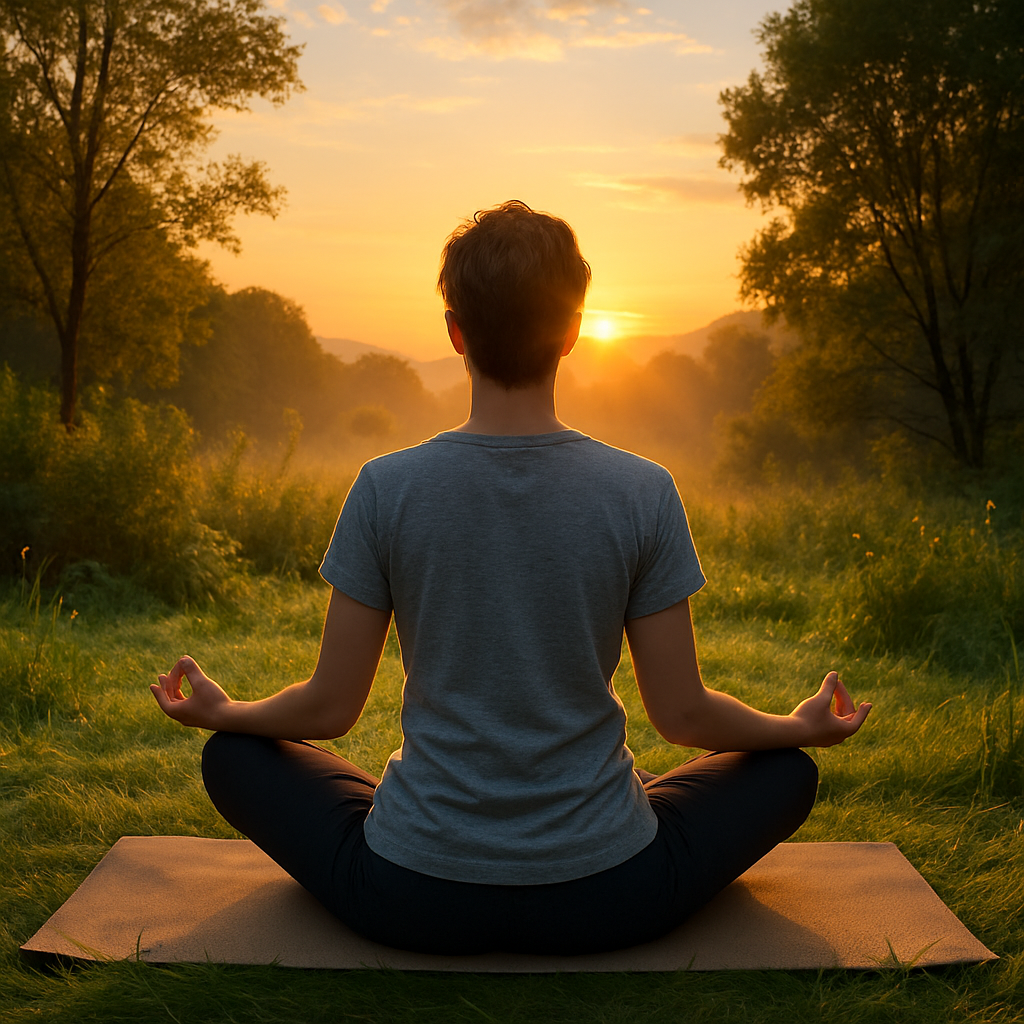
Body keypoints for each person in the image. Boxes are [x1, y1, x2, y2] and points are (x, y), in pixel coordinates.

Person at [151, 200, 871, 956]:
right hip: (612, 897)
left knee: (233, 756)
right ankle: (596, 829)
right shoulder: (643, 490)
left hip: (410, 898)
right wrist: (797, 728)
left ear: (455, 332)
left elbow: (330, 708)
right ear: (573, 331)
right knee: (786, 774)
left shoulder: (385, 487)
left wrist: (227, 712)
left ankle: (436, 837)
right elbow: (684, 716)